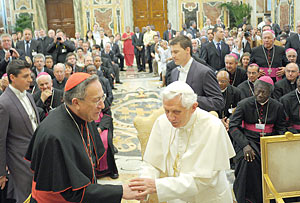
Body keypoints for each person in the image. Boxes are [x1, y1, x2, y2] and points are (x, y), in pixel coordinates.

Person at [25, 72, 140, 202]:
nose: (102, 106)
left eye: (103, 97)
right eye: (97, 100)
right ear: (76, 102)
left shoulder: (82, 115)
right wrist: (120, 191)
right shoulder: (55, 136)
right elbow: (74, 192)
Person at [129, 81, 235, 202]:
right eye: (166, 110)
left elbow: (202, 181)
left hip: (208, 198)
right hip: (176, 198)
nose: (170, 117)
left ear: (193, 107)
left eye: (176, 112)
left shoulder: (213, 127)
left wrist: (157, 186)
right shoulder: (162, 122)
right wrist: (144, 186)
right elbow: (152, 163)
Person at [229, 76, 286, 203]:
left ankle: (269, 197)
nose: (259, 95)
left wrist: (277, 145)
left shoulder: (277, 106)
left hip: (269, 142)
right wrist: (244, 145)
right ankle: (246, 198)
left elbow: (281, 127)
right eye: (257, 91)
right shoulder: (244, 104)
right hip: (247, 140)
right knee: (248, 160)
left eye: (263, 92)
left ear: (270, 92)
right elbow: (233, 126)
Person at [0, 59, 40, 203]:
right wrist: (1, 173)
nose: (30, 80)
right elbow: (1, 140)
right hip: (19, 162)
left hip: (37, 157)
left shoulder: (28, 95)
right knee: (25, 197)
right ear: (12, 77)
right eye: (25, 76)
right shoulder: (3, 103)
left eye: (30, 75)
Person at [169, 35, 224, 112]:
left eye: (176, 52)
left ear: (187, 50)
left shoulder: (204, 72)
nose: (173, 56)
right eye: (171, 52)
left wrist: (191, 99)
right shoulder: (174, 72)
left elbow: (218, 102)